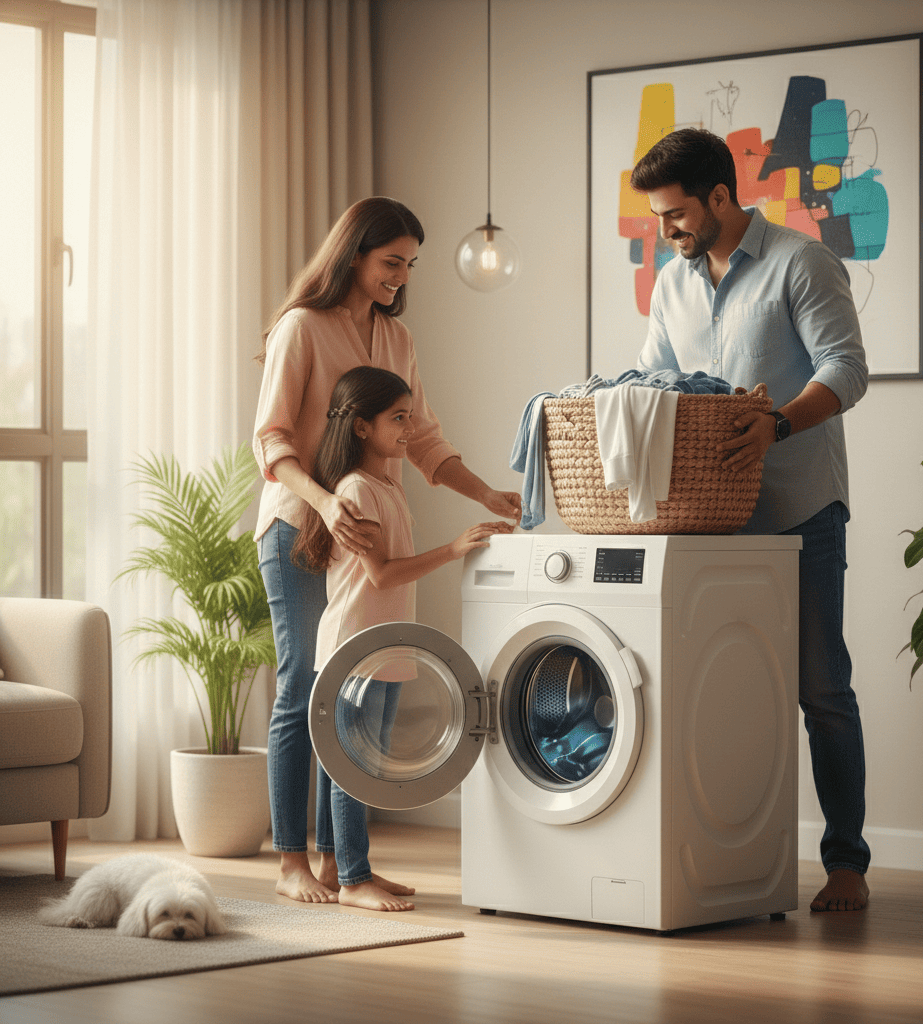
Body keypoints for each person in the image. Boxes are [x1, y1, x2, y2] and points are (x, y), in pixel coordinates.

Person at [253, 197, 521, 911]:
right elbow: (270, 440)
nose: (400, 278)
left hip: (365, 528)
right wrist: (324, 502)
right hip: (297, 525)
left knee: (355, 692)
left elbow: (424, 438)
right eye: (390, 262)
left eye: (408, 266)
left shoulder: (396, 340)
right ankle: (290, 860)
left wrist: (485, 493)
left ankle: (344, 865)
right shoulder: (301, 329)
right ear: (353, 256)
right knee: (304, 685)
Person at [629, 128, 871, 912]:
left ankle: (845, 864)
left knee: (819, 689)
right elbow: (656, 380)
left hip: (799, 507)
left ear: (720, 198)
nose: (665, 231)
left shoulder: (801, 263)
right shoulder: (671, 282)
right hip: (708, 519)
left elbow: (845, 367)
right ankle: (723, 857)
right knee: (711, 688)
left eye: (673, 215)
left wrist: (778, 425)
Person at [288, 365, 511, 910]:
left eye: (410, 418)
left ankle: (349, 869)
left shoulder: (384, 482)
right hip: (354, 646)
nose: (409, 429)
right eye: (399, 419)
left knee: (360, 762)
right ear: (362, 427)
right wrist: (453, 550)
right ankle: (354, 879)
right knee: (353, 765)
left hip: (380, 644)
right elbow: (382, 573)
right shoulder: (358, 488)